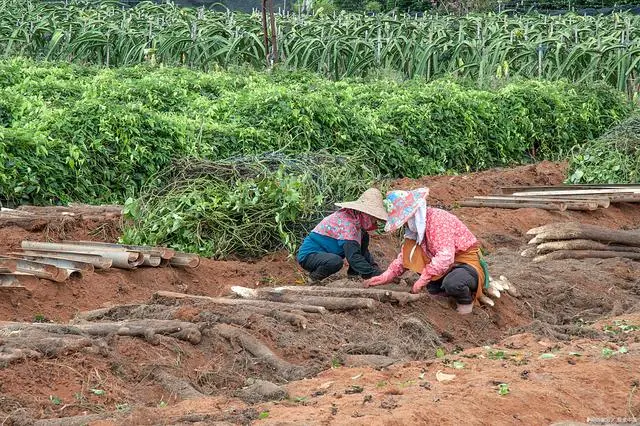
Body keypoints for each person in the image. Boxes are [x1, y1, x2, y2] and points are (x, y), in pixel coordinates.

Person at [364, 188, 489, 314]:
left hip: (465, 265)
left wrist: (424, 277)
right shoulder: (417, 228)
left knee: (454, 283)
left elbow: (446, 256)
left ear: (413, 214)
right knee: (432, 290)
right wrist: (387, 275)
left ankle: (466, 305)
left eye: (405, 221)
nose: (405, 225)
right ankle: (445, 294)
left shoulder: (438, 220)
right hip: (445, 269)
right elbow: (407, 255)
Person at [297, 188, 388, 285]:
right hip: (309, 256)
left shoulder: (358, 226)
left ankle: (354, 275)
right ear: (365, 214)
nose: (374, 221)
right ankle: (313, 278)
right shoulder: (347, 224)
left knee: (363, 237)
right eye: (373, 218)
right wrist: (373, 274)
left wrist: (377, 272)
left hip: (326, 255)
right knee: (335, 261)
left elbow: (363, 253)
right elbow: (353, 257)